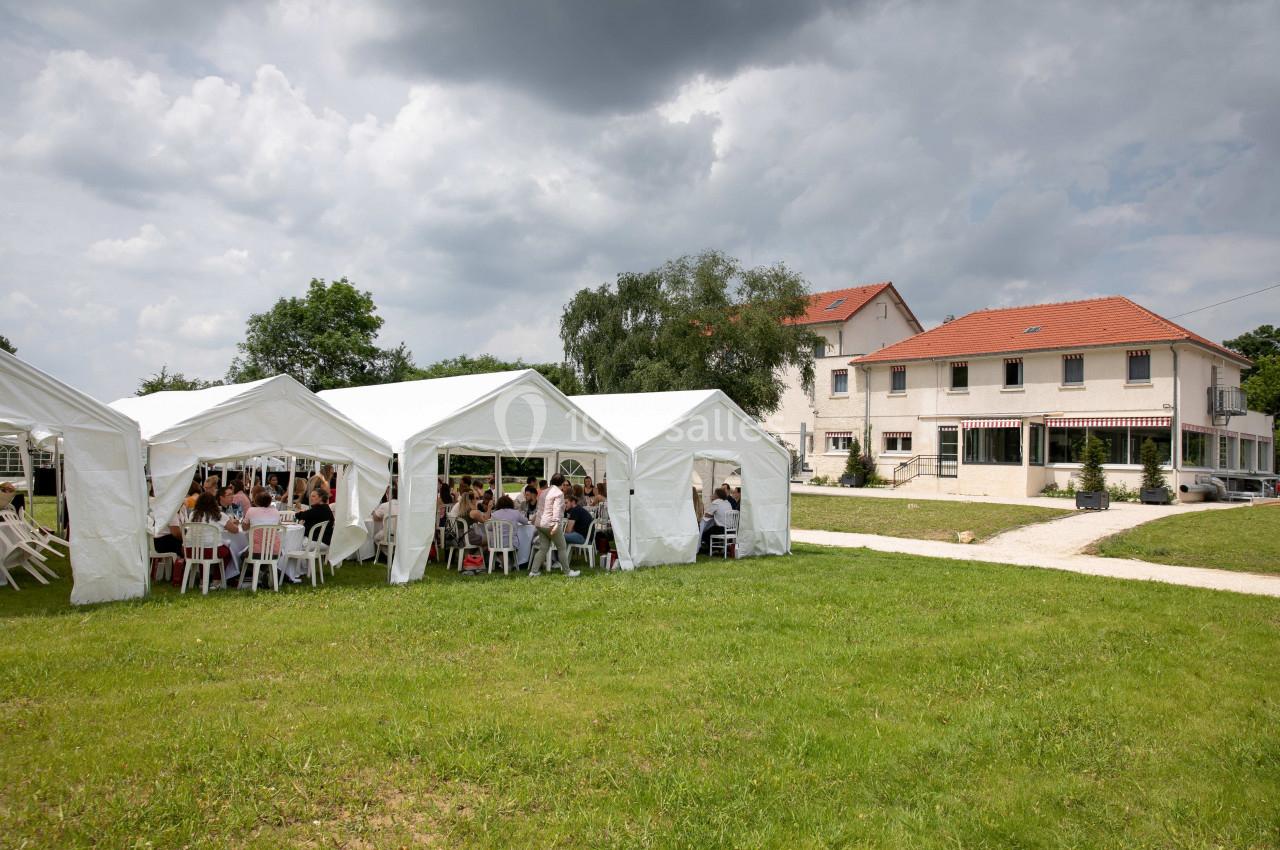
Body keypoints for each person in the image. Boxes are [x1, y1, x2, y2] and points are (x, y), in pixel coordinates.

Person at [529, 473, 577, 577]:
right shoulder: (559, 493)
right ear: (562, 482)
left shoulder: (543, 492)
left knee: (543, 548)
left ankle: (534, 571)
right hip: (550, 524)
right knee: (562, 547)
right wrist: (556, 523)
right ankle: (567, 572)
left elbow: (540, 508)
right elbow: (556, 509)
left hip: (540, 523)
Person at [244, 490, 282, 558]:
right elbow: (278, 528)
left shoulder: (251, 510)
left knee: (241, 555)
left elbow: (244, 528)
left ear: (256, 501)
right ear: (270, 502)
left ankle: (255, 568)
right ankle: (264, 568)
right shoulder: (276, 511)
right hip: (274, 552)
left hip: (255, 552)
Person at [700, 487, 735, 554]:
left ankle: (713, 549)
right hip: (731, 529)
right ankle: (718, 548)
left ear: (717, 495)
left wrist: (712, 502)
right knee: (713, 529)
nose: (713, 495)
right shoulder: (727, 502)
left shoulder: (716, 502)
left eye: (714, 493)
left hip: (722, 529)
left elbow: (708, 515)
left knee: (705, 533)